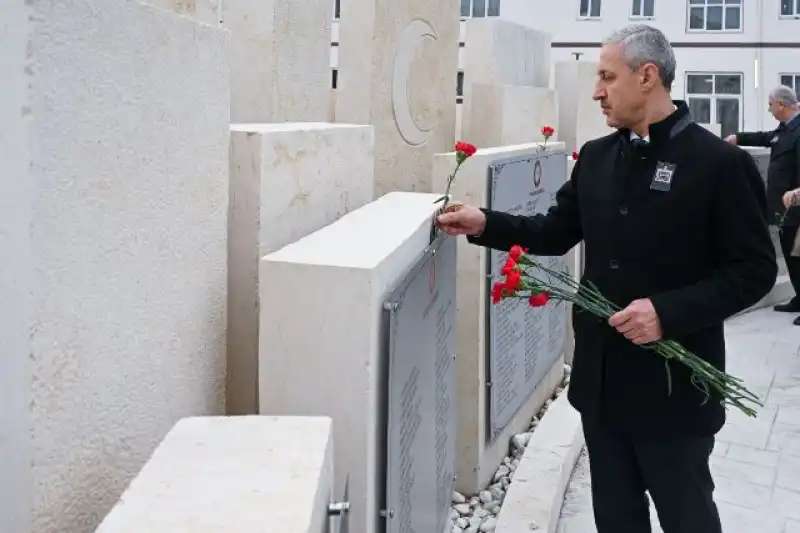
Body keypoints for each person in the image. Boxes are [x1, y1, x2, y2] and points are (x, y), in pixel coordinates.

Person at [438, 24, 777, 533]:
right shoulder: (597, 158)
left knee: (687, 517)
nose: (597, 91)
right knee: (616, 519)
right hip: (603, 387)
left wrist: (667, 313)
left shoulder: (718, 164)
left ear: (647, 77)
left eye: (606, 77)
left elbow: (754, 271)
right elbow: (555, 231)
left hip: (674, 394)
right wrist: (486, 222)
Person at [725, 86, 800, 324]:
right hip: (783, 208)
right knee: (791, 256)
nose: (769, 109)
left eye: (770, 104)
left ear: (781, 104)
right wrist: (738, 138)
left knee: (799, 257)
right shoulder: (785, 130)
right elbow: (767, 138)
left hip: (797, 206)